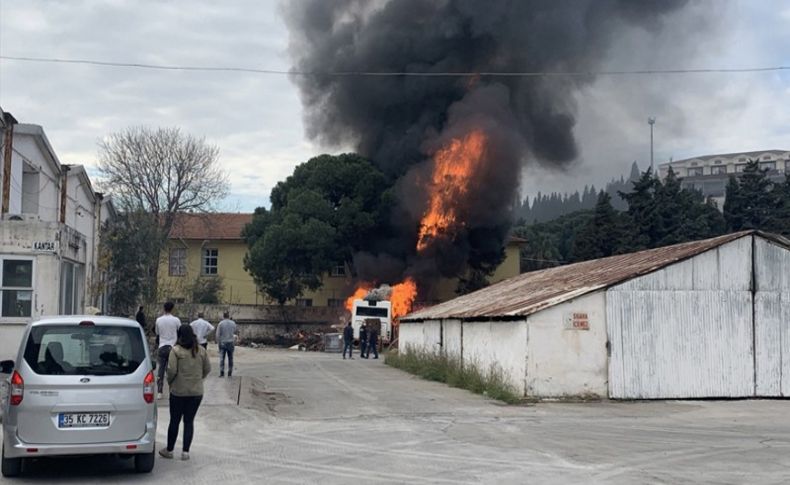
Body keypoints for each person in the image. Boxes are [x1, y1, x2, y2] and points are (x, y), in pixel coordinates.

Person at [159, 324, 210, 461]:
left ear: (179, 335)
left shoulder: (175, 351)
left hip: (178, 392)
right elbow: (207, 369)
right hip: (196, 393)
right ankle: (185, 452)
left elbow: (171, 371)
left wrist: (170, 383)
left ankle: (169, 450)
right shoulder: (201, 350)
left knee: (174, 421)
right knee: (189, 421)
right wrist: (198, 379)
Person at [155, 301, 181, 398]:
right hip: (173, 348)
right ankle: (172, 390)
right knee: (172, 370)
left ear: (163, 308)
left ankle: (159, 392)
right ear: (172, 308)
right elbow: (179, 332)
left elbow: (157, 333)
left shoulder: (158, 320)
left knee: (160, 370)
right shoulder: (176, 320)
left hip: (162, 347)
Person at [216, 312, 236, 377]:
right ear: (228, 316)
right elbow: (235, 331)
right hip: (230, 342)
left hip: (223, 342)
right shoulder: (233, 323)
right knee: (230, 358)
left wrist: (218, 343)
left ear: (223, 316)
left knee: (222, 358)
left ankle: (222, 372)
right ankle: (230, 372)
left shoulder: (220, 323)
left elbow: (217, 335)